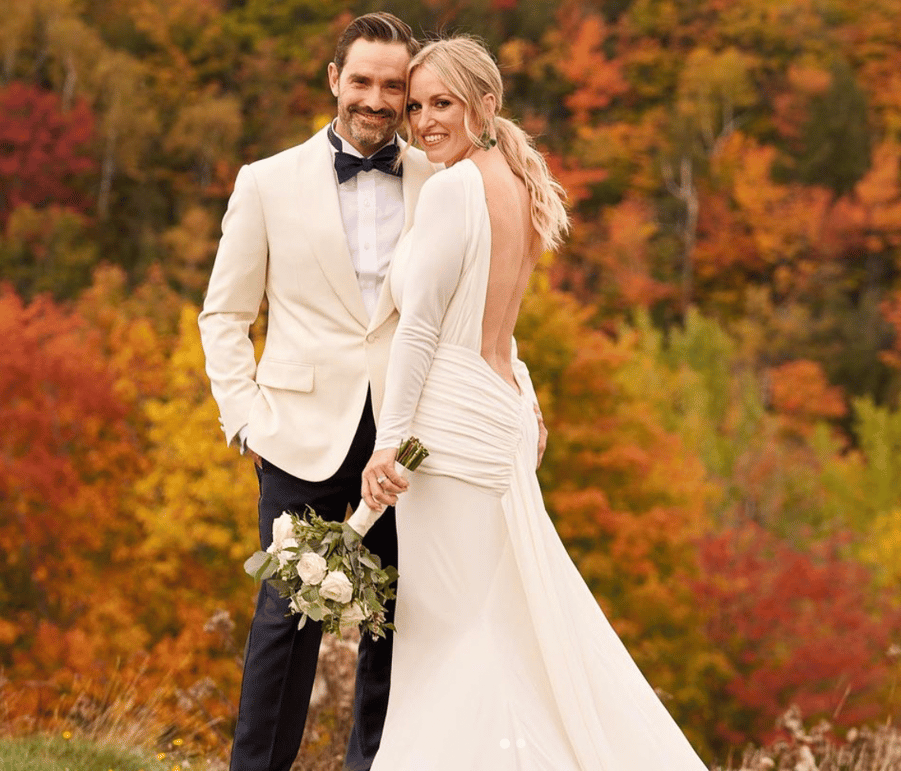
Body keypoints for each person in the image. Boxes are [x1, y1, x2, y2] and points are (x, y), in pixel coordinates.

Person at [359, 35, 711, 770]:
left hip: (449, 430)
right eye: (416, 105)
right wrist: (528, 397)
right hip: (497, 408)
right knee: (493, 623)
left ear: (485, 104)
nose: (422, 121)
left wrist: (387, 443)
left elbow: (422, 327)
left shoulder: (456, 188)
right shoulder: (512, 179)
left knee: (449, 636)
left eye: (442, 103)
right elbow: (502, 322)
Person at [198, 13, 436, 771]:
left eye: (393, 85)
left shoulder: (441, 182)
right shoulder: (265, 182)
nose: (376, 98)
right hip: (297, 433)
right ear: (334, 79)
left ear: (409, 92)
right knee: (286, 619)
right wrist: (245, 420)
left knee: (397, 620)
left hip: (406, 435)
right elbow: (225, 314)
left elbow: (472, 308)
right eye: (361, 80)